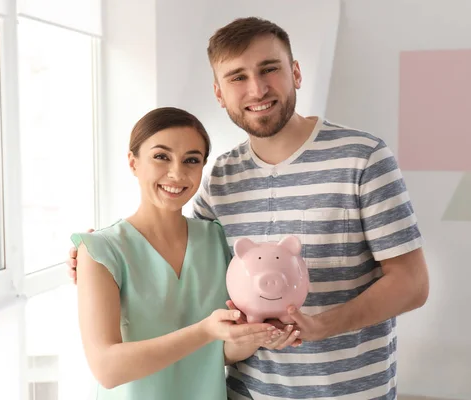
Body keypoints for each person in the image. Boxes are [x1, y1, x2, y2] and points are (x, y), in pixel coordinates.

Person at [69, 18, 429, 400]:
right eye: (237, 77)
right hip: (246, 392)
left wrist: (320, 326)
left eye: (269, 69)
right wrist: (98, 252)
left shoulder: (363, 158)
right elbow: (179, 250)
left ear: (295, 72)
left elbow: (412, 284)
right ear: (219, 93)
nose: (257, 89)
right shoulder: (222, 175)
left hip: (349, 391)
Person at [69, 106, 300, 400]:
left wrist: (260, 336)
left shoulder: (217, 240)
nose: (177, 173)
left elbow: (217, 355)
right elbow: (107, 369)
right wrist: (205, 331)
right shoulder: (99, 251)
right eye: (161, 157)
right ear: (133, 162)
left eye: (191, 160)